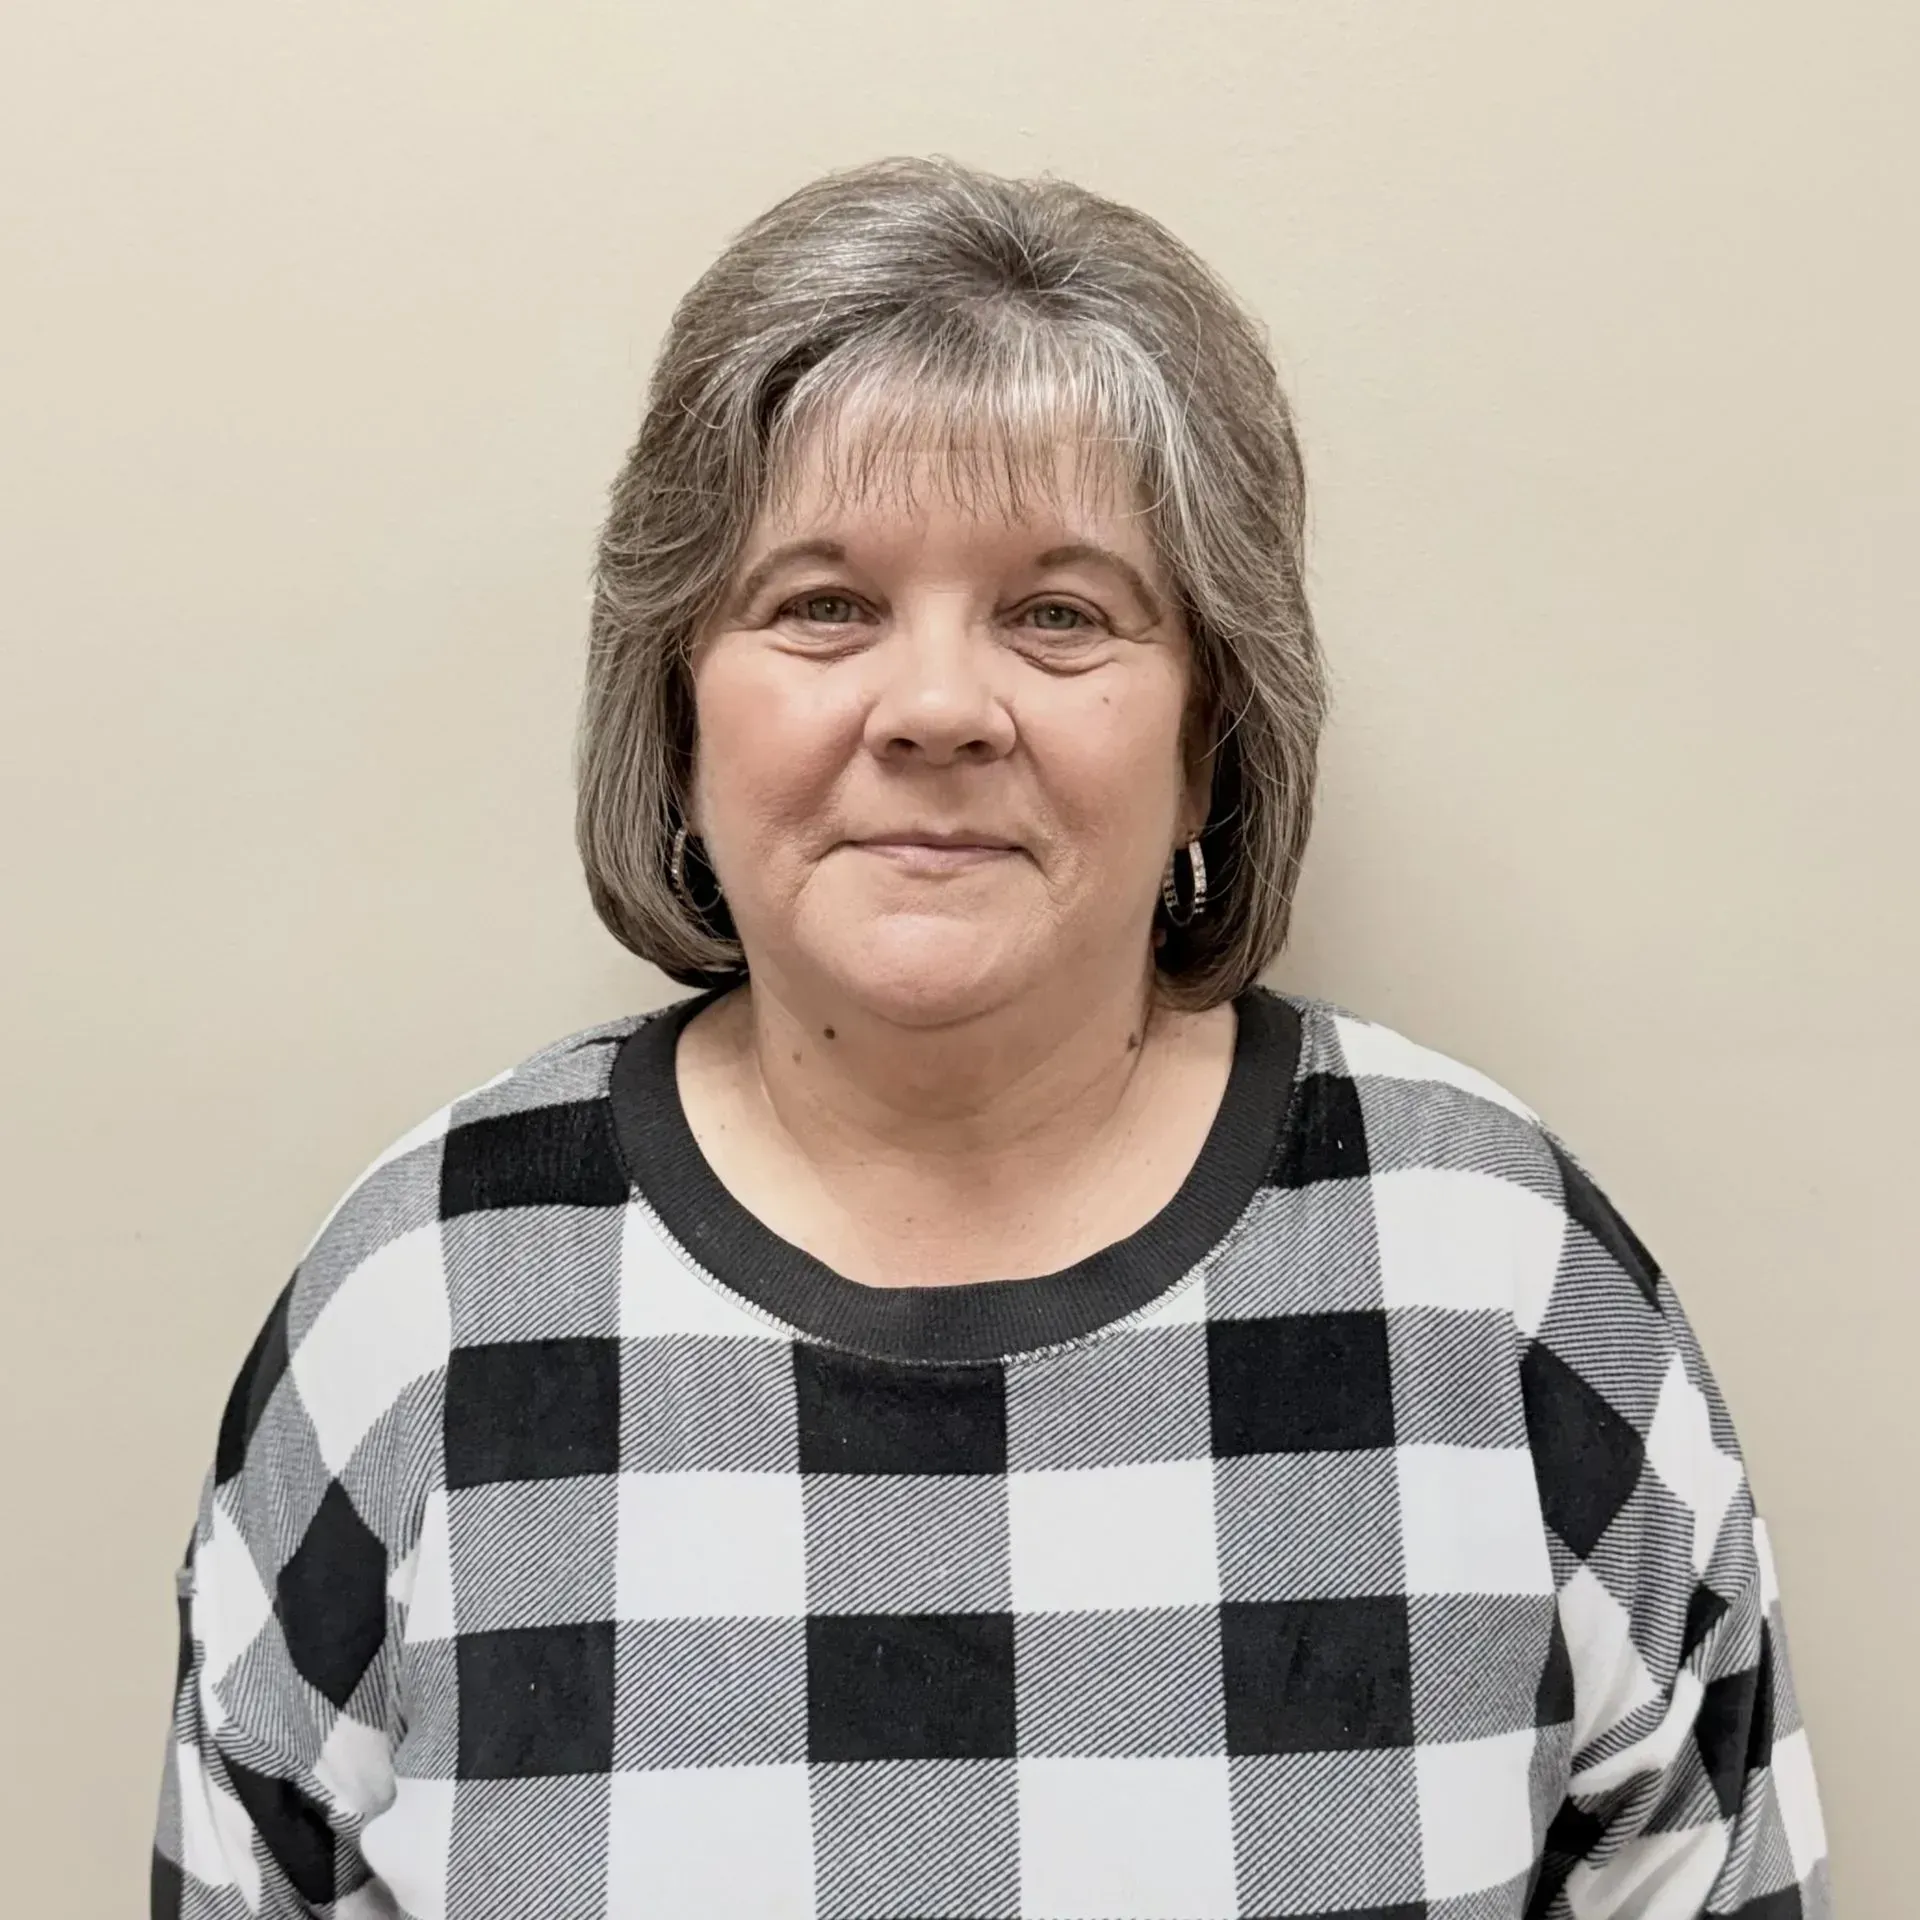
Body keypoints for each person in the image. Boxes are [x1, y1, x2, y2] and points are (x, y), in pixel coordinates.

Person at [153, 156, 1829, 1920]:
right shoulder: (428, 1297)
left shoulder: (1499, 1278)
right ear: (678, 708)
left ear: (1210, 738)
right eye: (823, 605)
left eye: (1060, 614)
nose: (941, 708)